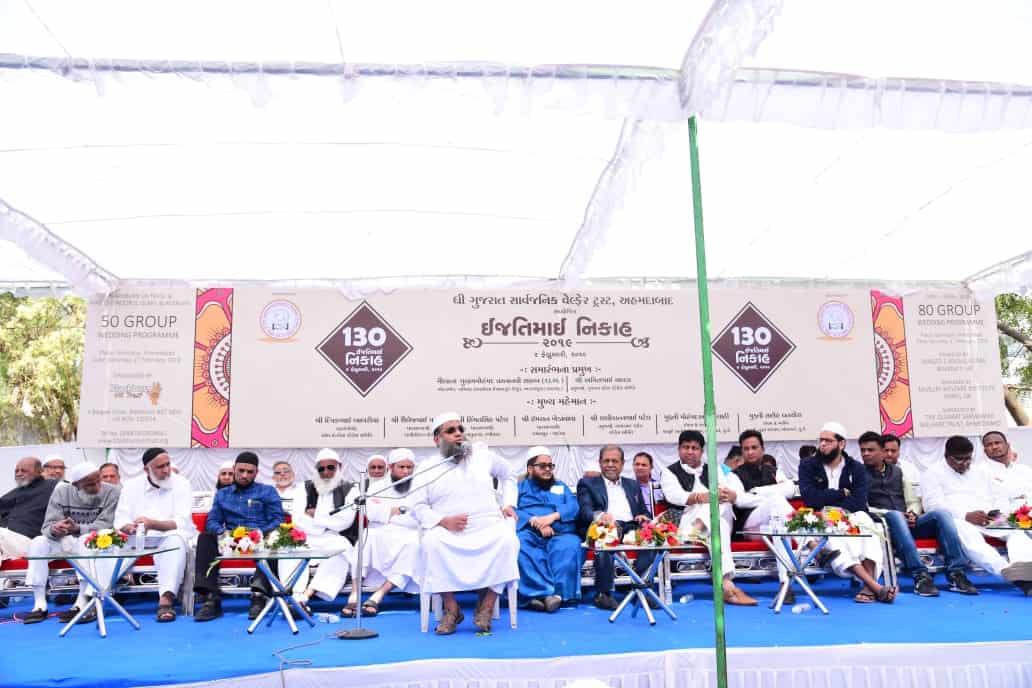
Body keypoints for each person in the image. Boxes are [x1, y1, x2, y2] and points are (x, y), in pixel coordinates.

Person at [411, 412, 520, 635]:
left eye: (461, 429)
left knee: (507, 541)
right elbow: (417, 506)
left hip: (487, 525)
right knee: (431, 544)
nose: (459, 434)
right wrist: (442, 521)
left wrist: (508, 503)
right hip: (449, 530)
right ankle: (452, 609)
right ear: (437, 439)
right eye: (451, 431)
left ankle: (486, 606)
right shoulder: (427, 467)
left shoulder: (482, 456)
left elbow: (509, 475)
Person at [661, 430, 784, 607]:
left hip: (705, 522)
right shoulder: (669, 472)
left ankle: (698, 529)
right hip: (689, 516)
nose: (690, 452)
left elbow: (723, 491)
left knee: (722, 503)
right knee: (719, 522)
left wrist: (715, 497)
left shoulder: (714, 469)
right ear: (679, 449)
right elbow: (675, 496)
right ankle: (726, 583)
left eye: (694, 448)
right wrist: (701, 497)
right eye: (686, 447)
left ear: (701, 451)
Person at [859, 431, 976, 596]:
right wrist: (894, 513)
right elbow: (863, 507)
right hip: (883, 527)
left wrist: (912, 513)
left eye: (870, 450)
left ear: (881, 452)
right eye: (863, 450)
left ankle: (956, 573)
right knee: (895, 516)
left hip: (908, 522)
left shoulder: (898, 472)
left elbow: (912, 500)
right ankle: (920, 576)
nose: (865, 454)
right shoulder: (858, 474)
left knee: (941, 514)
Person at [921, 435, 1032, 596]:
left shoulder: (980, 471)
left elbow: (997, 495)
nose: (965, 463)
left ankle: (1024, 568)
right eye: (960, 459)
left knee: (1016, 531)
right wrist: (966, 515)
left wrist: (995, 512)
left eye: (968, 458)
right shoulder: (932, 473)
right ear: (947, 457)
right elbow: (932, 506)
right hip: (957, 519)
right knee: (970, 537)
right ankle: (1010, 573)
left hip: (986, 518)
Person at [798, 422, 895, 604]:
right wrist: (841, 493)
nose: (823, 444)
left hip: (851, 516)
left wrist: (832, 506)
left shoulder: (856, 468)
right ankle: (873, 586)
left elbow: (859, 501)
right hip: (820, 518)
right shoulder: (808, 466)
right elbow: (810, 498)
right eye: (821, 440)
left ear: (841, 444)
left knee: (868, 523)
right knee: (834, 537)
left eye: (828, 441)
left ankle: (869, 587)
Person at [23, 462, 121, 624]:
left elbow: (107, 524)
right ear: (76, 485)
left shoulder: (112, 492)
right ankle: (39, 604)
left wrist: (78, 529)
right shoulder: (62, 492)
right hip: (66, 540)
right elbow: (47, 526)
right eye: (90, 484)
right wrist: (56, 529)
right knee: (38, 542)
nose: (97, 486)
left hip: (95, 541)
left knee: (84, 540)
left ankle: (81, 602)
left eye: (98, 480)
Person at [193, 451, 284, 622]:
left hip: (260, 540)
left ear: (256, 473)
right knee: (205, 537)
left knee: (275, 538)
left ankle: (258, 596)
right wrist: (223, 533)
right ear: (234, 469)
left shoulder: (267, 491)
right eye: (241, 471)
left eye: (250, 472)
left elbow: (278, 519)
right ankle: (211, 599)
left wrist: (259, 533)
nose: (245, 475)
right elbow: (212, 521)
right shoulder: (223, 494)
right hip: (231, 541)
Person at [114, 448, 196, 621]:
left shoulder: (182, 484)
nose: (166, 470)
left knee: (176, 541)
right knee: (103, 539)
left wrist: (152, 524)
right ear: (146, 469)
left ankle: (166, 600)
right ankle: (91, 598)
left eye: (168, 464)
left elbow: (181, 522)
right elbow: (120, 519)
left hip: (168, 537)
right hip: (136, 538)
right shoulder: (131, 486)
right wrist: (129, 527)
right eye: (160, 467)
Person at [338, 448, 421, 617]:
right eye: (402, 467)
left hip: (410, 533)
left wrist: (390, 513)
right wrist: (398, 512)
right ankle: (354, 594)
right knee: (366, 537)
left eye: (409, 467)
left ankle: (378, 595)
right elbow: (371, 513)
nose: (406, 471)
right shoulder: (377, 487)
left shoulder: (420, 487)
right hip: (379, 532)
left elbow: (418, 517)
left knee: (415, 546)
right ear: (391, 467)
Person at [577, 445, 655, 610]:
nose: (610, 465)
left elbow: (644, 511)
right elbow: (585, 510)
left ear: (622, 463)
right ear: (600, 463)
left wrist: (643, 516)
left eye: (615, 461)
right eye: (606, 461)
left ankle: (641, 590)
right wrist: (600, 516)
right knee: (606, 536)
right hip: (607, 525)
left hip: (631, 526)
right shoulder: (588, 484)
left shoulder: (632, 484)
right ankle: (603, 594)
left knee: (651, 536)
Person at [293, 449, 360, 611]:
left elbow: (344, 522)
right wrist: (327, 522)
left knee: (341, 551)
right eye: (321, 468)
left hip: (334, 537)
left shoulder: (350, 489)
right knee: (289, 551)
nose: (326, 472)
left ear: (339, 467)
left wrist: (315, 515)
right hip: (306, 538)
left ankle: (306, 596)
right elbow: (297, 520)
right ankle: (295, 594)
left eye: (331, 467)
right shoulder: (303, 488)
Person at [516, 446, 582, 612]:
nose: (547, 469)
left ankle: (557, 595)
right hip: (530, 532)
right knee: (520, 545)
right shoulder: (519, 488)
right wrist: (534, 521)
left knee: (569, 546)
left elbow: (573, 507)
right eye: (542, 466)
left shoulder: (560, 486)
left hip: (560, 532)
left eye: (550, 466)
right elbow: (511, 509)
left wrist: (552, 518)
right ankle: (540, 594)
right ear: (530, 469)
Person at [0, 458, 57, 565]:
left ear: (39, 471)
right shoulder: (15, 492)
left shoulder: (53, 486)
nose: (19, 474)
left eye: (24, 471)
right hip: (7, 540)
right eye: (16, 471)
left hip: (32, 542)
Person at [981, 431, 1032, 507]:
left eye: (997, 443)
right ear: (985, 451)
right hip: (999, 514)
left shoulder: (1024, 470)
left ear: (1007, 445)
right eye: (989, 445)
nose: (994, 447)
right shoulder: (980, 471)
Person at [632, 451, 662, 516]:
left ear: (651, 467)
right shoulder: (628, 487)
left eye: (644, 465)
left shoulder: (660, 486)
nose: (640, 467)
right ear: (633, 466)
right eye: (637, 464)